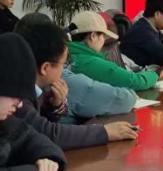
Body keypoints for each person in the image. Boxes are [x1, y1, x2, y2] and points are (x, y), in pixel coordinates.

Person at [14, 21, 138, 150]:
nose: (64, 69)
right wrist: (105, 132)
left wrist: (54, 106)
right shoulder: (16, 96)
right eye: (63, 64)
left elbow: (37, 124)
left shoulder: (33, 87)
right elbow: (47, 133)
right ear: (45, 68)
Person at [0, 33, 68, 171]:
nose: (19, 104)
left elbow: (29, 136)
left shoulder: (4, 122)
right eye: (15, 95)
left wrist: (48, 158)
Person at [67, 11, 158, 91]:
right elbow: (135, 81)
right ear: (93, 36)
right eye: (103, 36)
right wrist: (155, 74)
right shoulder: (91, 63)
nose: (104, 41)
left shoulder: (67, 56)